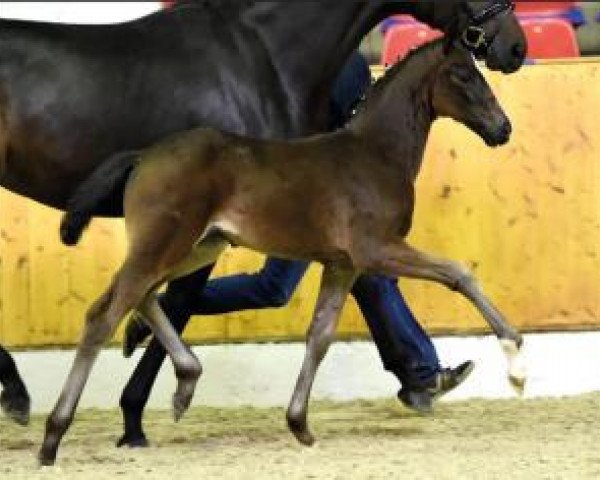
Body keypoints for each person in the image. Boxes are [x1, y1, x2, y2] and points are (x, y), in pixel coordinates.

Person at [126, 51, 473, 413]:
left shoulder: (346, 63)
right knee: (276, 288)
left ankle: (421, 377)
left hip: (329, 200)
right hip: (298, 197)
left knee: (373, 277)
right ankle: (160, 306)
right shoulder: (312, 59)